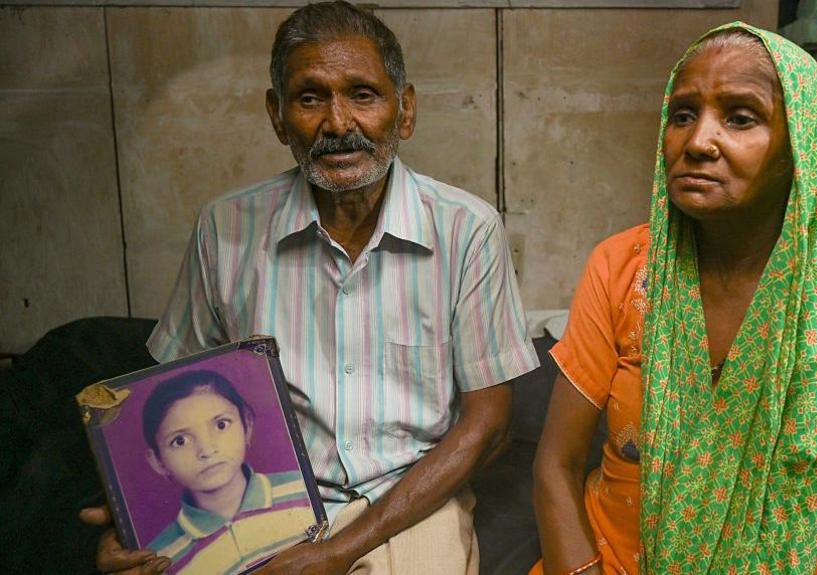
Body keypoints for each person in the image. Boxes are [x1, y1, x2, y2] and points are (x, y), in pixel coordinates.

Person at [79, 2, 539, 574]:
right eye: (309, 98)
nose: (339, 123)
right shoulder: (224, 230)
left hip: (411, 502)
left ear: (406, 110)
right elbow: (173, 399)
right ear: (277, 116)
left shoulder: (467, 230)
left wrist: (335, 553)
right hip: (258, 505)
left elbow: (488, 425)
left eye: (364, 95)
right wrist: (135, 518)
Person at [532, 22, 817, 575]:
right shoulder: (622, 268)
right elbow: (556, 465)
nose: (697, 142)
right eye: (683, 114)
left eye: (741, 117)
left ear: (801, 147)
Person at [142, 370, 313, 574]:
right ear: (158, 461)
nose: (206, 450)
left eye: (221, 425)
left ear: (247, 424)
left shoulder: (302, 491)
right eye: (180, 441)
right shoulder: (160, 558)